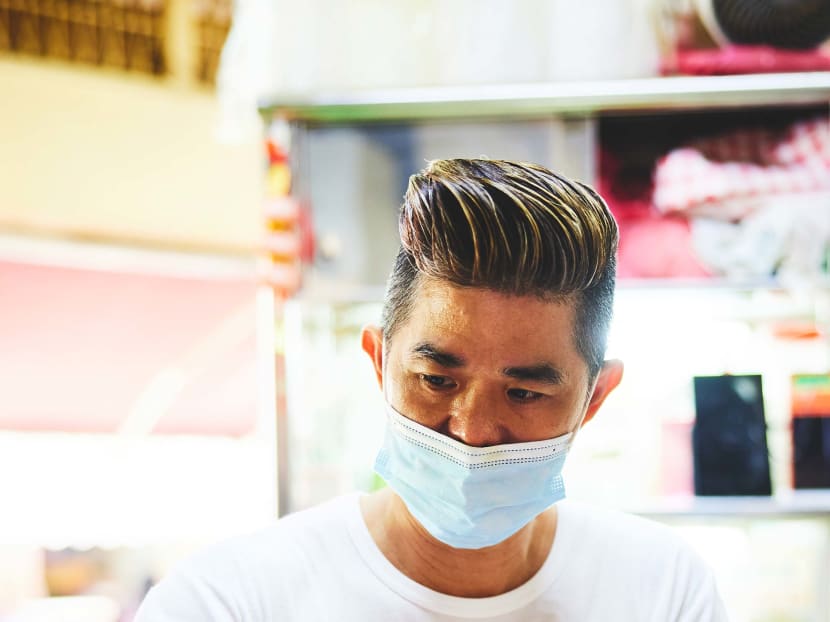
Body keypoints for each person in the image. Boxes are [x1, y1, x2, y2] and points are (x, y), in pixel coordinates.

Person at [135, 159, 727, 621]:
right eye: (437, 381)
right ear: (379, 362)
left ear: (594, 398)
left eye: (524, 393)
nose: (472, 430)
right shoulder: (228, 602)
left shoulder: (661, 592)